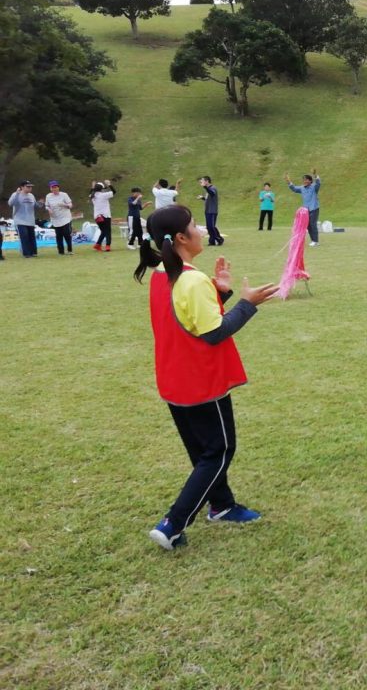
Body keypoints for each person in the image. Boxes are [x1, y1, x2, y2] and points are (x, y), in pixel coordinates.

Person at [133, 205, 279, 550]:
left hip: (174, 379)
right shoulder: (191, 279)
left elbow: (190, 317)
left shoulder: (162, 273)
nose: (200, 230)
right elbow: (213, 332)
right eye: (195, 225)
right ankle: (173, 523)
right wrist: (247, 303)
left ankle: (221, 505)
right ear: (181, 238)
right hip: (200, 381)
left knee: (204, 452)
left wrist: (222, 292)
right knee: (219, 450)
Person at [8, 181, 42, 258]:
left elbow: (35, 206)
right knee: (24, 236)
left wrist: (40, 203)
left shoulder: (31, 196)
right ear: (22, 187)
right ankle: (26, 253)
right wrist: (17, 194)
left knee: (31, 237)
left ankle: (33, 252)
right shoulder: (15, 194)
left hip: (30, 220)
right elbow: (10, 203)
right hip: (19, 220)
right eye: (28, 187)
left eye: (31, 187)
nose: (30, 188)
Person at [287, 170, 321, 246]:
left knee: (313, 224)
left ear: (310, 181)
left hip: (314, 208)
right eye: (304, 180)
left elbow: (318, 183)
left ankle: (316, 241)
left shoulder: (314, 187)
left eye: (306, 180)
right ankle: (313, 240)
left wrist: (315, 175)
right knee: (308, 225)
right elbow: (294, 189)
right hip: (306, 210)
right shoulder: (302, 188)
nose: (304, 181)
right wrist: (289, 182)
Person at [90, 180, 116, 252]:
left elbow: (91, 192)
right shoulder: (104, 195)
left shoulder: (92, 196)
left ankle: (97, 245)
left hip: (97, 217)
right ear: (101, 189)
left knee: (103, 231)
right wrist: (109, 184)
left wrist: (92, 187)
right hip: (105, 215)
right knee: (108, 232)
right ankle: (107, 246)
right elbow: (114, 192)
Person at [197, 176, 224, 246]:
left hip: (212, 211)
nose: (201, 182)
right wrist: (202, 198)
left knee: (211, 226)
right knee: (210, 227)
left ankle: (219, 239)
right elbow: (208, 199)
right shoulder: (208, 189)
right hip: (208, 210)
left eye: (202, 181)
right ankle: (212, 241)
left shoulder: (212, 188)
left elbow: (212, 193)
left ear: (207, 181)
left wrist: (205, 187)